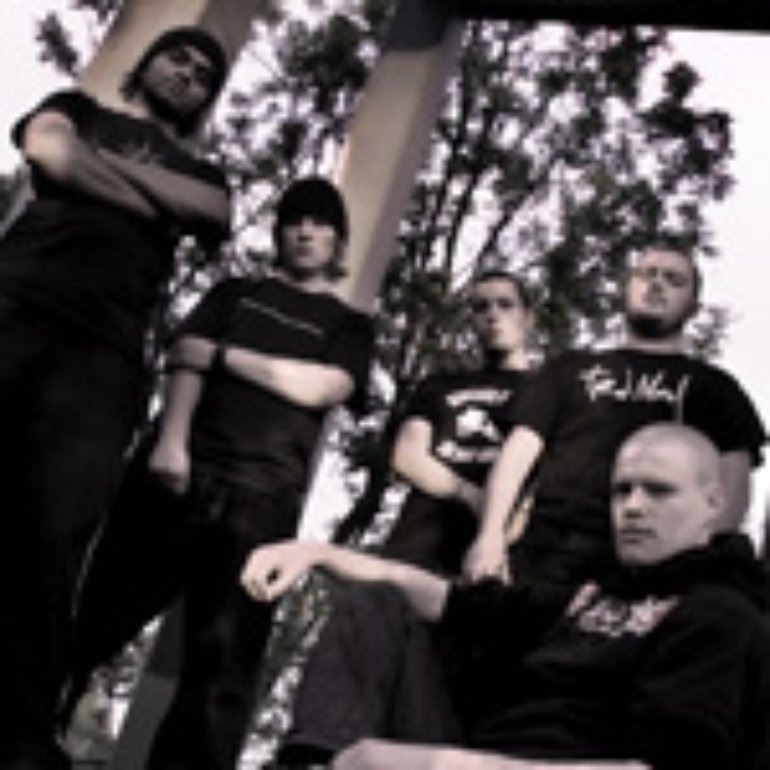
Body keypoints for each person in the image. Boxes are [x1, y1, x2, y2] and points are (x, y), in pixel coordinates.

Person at [64, 176, 374, 769]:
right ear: (279, 234)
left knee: (221, 674)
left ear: (338, 241)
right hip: (177, 476)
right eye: (294, 220)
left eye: (320, 223)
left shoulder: (348, 325)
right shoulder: (236, 294)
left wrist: (225, 357)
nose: (305, 232)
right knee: (91, 620)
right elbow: (185, 359)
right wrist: (171, 443)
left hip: (262, 502)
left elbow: (324, 387)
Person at [242, 423, 770, 770]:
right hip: (480, 751)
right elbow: (445, 600)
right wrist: (316, 552)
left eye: (658, 490)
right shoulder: (587, 596)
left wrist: (444, 765)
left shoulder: (721, 617)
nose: (631, 507)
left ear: (713, 503)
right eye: (621, 490)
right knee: (379, 603)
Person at [0, 25, 231, 769]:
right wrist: (151, 201)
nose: (188, 73)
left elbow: (211, 210)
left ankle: (19, 736)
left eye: (203, 74)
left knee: (51, 538)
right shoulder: (78, 108)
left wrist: (91, 171)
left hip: (105, 356)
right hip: (13, 306)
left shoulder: (204, 171)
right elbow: (50, 151)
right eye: (178, 58)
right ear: (146, 63)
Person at [464, 244, 767, 587]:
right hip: (547, 561)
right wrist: (489, 536)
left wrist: (695, 571)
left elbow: (732, 489)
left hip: (653, 572)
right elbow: (516, 455)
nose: (656, 283)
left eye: (673, 279)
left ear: (693, 307)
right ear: (626, 289)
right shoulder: (567, 369)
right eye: (646, 274)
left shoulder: (716, 388)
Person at [381, 268, 534, 575]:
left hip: (500, 554)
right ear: (471, 322)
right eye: (481, 307)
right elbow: (407, 457)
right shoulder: (438, 386)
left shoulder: (549, 390)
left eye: (505, 305)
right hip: (416, 548)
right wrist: (471, 495)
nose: (493, 315)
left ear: (528, 318)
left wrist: (519, 512)